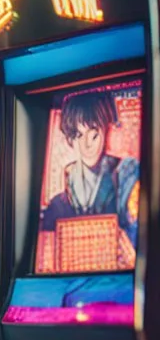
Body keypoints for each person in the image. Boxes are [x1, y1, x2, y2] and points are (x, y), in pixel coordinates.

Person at [40, 89, 139, 258]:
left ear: (105, 130)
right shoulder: (61, 198)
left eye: (93, 135)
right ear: (70, 139)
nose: (86, 145)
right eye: (78, 135)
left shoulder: (125, 173)